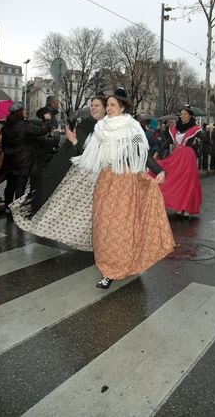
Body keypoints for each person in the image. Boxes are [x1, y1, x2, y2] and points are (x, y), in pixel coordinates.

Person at [72, 88, 174, 289]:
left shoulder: (132, 129)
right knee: (104, 226)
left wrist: (158, 170)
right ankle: (108, 268)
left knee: (122, 227)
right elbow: (90, 153)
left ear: (122, 107)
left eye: (112, 105)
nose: (108, 108)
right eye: (107, 104)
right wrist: (75, 142)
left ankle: (118, 267)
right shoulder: (101, 129)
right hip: (106, 180)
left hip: (125, 181)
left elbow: (141, 153)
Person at [10, 95, 107, 250]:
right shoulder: (86, 125)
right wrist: (74, 141)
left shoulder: (111, 127)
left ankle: (99, 241)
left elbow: (104, 155)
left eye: (97, 105)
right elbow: (81, 153)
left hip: (102, 176)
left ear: (105, 108)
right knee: (73, 210)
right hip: (84, 175)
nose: (93, 108)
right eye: (92, 105)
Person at [1, 102, 51, 213]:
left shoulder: (6, 126)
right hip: (23, 160)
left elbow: (3, 144)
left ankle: (7, 207)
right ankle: (18, 210)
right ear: (19, 113)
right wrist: (47, 121)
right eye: (23, 110)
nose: (25, 111)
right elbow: (41, 131)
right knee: (20, 186)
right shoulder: (23, 125)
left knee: (10, 185)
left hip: (10, 159)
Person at [153, 106, 202, 217]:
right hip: (177, 157)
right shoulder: (175, 128)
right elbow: (168, 142)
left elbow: (203, 138)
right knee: (176, 180)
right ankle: (180, 206)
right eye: (181, 114)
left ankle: (187, 208)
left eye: (185, 114)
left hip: (189, 158)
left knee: (188, 182)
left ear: (190, 115)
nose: (183, 116)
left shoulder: (195, 128)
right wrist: (157, 152)